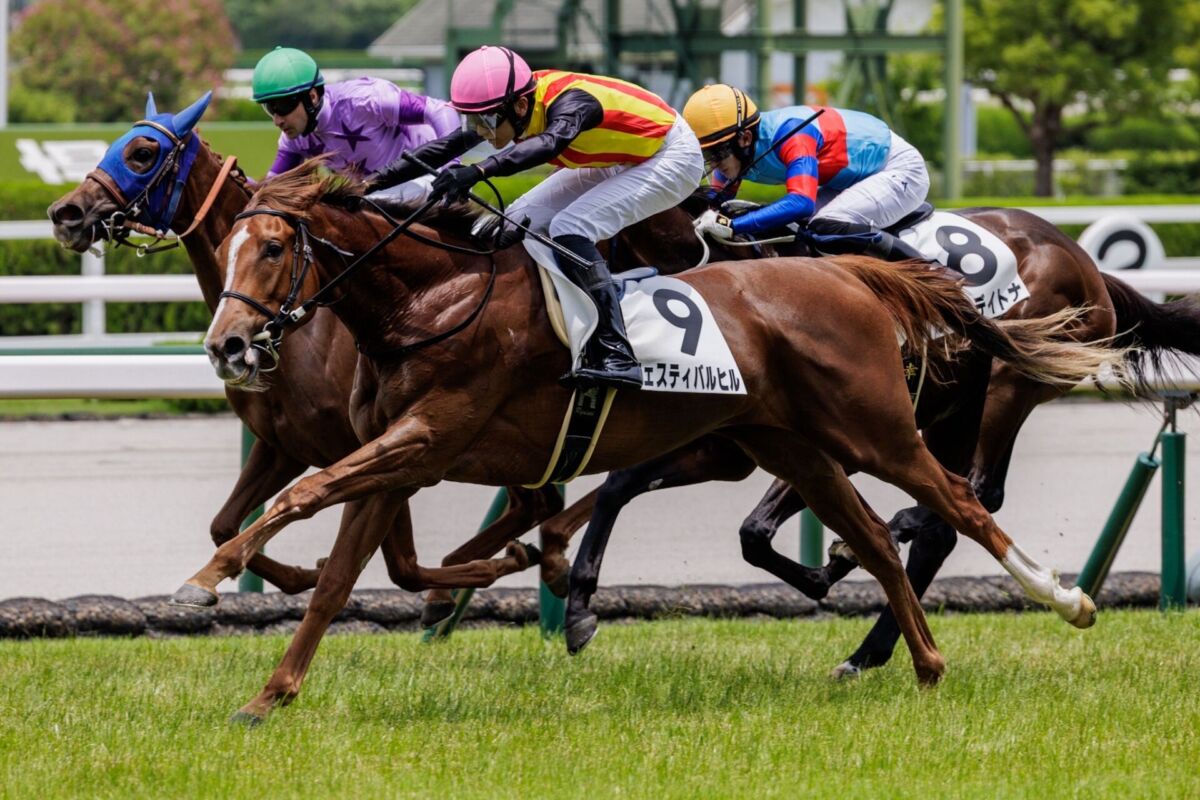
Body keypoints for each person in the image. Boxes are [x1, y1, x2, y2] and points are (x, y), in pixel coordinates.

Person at [372, 46, 704, 390]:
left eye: (485, 121)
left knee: (569, 228)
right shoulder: (511, 104)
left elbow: (548, 143)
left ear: (519, 106)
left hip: (670, 156)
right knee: (514, 220)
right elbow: (445, 147)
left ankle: (617, 352)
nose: (480, 131)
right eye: (472, 120)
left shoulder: (572, 103)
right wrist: (372, 183)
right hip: (621, 155)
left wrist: (479, 171)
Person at [683, 83, 930, 262]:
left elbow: (801, 202)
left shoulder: (792, 134)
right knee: (793, 227)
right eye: (707, 153)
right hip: (854, 178)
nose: (714, 163)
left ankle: (930, 273)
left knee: (826, 225)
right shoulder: (736, 152)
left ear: (745, 138)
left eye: (717, 152)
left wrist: (733, 225)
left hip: (898, 169)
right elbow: (716, 202)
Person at [252, 46, 460, 202]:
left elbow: (441, 110)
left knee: (358, 207)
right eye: (270, 109)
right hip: (375, 198)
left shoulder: (365, 99)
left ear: (312, 97)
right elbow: (271, 187)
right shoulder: (294, 138)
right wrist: (243, 183)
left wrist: (452, 166)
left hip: (426, 178)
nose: (277, 120)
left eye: (283, 107)